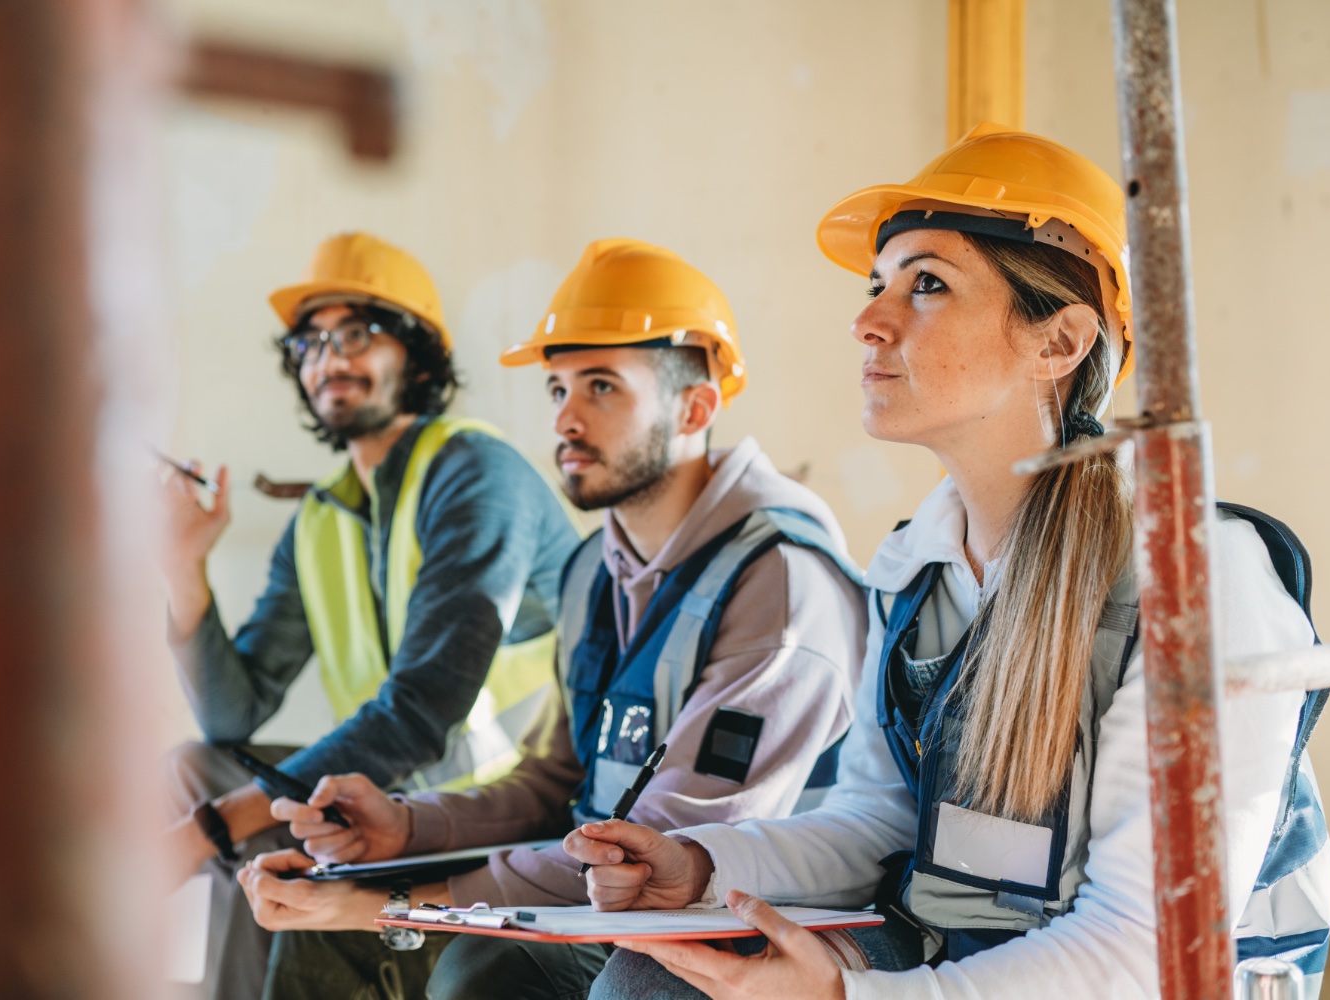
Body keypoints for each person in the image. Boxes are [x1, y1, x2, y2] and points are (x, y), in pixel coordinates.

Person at [562, 125, 1330, 999]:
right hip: (964, 956)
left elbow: (1140, 950)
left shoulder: (1196, 577)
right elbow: (881, 821)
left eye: (927, 283)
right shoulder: (917, 570)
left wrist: (848, 995)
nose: (867, 321)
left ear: (1059, 342)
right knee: (648, 983)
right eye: (877, 285)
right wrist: (701, 863)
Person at [235, 238, 870, 1000]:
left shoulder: (783, 582)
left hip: (738, 919)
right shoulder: (590, 571)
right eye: (557, 389)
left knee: (484, 968)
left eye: (602, 387)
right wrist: (401, 831)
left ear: (695, 406)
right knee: (322, 920)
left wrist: (392, 906)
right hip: (604, 889)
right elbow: (551, 785)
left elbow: (664, 851)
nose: (567, 418)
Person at [159, 232, 582, 1000]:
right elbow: (233, 713)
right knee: (193, 769)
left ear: (417, 356)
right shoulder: (320, 520)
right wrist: (183, 567)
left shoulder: (476, 476)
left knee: (233, 817)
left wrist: (212, 829)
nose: (329, 357)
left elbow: (421, 713)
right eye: (310, 341)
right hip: (383, 787)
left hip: (494, 802)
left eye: (356, 333)